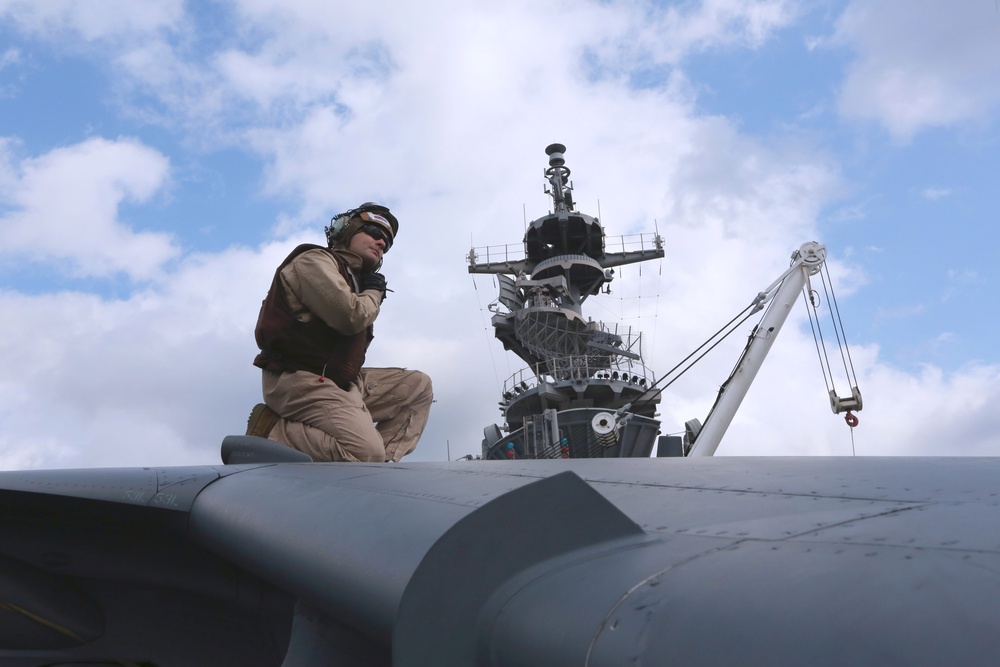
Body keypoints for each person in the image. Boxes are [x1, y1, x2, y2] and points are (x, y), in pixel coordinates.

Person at [245, 202, 433, 462]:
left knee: (417, 386)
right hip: (299, 377)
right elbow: (350, 316)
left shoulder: (355, 280)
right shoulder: (313, 261)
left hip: (341, 381)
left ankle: (380, 472)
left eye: (387, 243)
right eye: (374, 233)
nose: (381, 243)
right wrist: (375, 292)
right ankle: (274, 430)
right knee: (365, 451)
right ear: (346, 231)